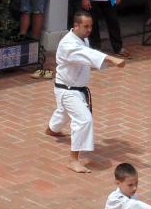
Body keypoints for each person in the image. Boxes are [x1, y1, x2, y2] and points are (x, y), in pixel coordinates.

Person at [45, 11, 126, 173]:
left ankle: (51, 129)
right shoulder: (68, 44)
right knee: (84, 120)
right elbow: (87, 54)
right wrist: (110, 59)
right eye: (86, 26)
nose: (89, 30)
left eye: (91, 26)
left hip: (75, 89)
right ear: (76, 26)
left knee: (64, 112)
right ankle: (73, 160)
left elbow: (87, 57)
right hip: (67, 90)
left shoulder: (83, 39)